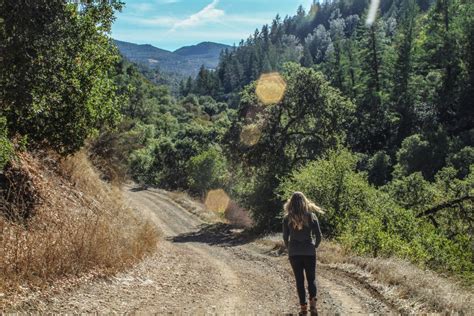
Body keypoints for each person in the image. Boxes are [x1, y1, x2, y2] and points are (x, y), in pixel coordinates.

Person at [283, 192, 323, 314]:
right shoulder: (311, 216)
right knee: (311, 279)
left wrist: (289, 248)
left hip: (294, 253)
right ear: (304, 201)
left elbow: (285, 237)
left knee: (299, 280)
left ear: (291, 203)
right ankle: (313, 307)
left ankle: (303, 308)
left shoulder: (287, 218)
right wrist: (314, 246)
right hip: (309, 252)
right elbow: (319, 236)